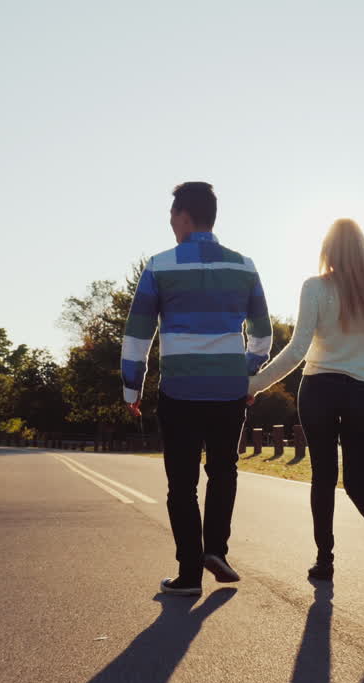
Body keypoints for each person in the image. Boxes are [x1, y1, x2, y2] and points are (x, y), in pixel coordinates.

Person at [121, 181, 272, 596]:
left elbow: (138, 335)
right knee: (224, 471)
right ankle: (217, 550)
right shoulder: (244, 266)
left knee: (182, 484)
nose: (170, 223)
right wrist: (246, 371)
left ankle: (189, 574)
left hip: (180, 391)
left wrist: (132, 388)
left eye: (172, 216)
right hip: (228, 391)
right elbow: (262, 333)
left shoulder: (159, 266)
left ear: (185, 216)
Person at [248, 218, 364, 587]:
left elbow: (298, 349)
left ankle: (324, 561)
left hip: (319, 387)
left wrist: (256, 384)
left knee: (323, 478)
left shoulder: (314, 287)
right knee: (358, 479)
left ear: (328, 250)